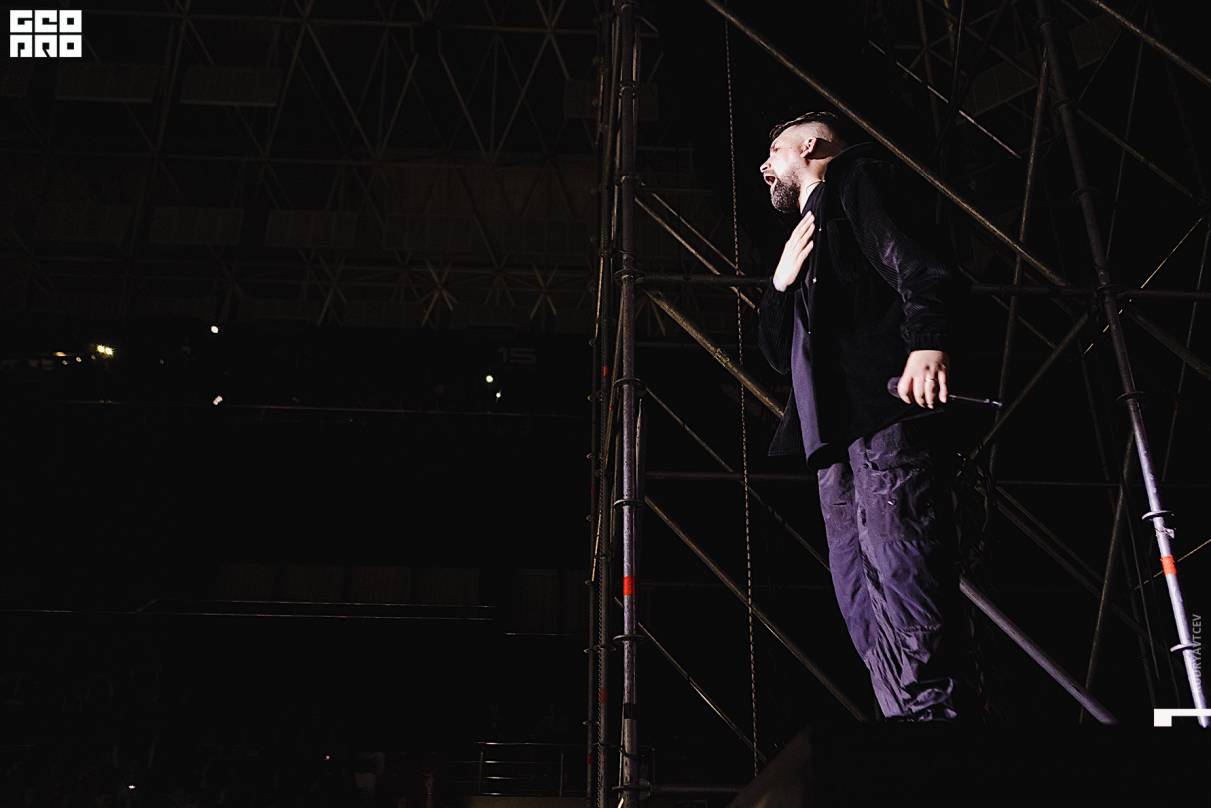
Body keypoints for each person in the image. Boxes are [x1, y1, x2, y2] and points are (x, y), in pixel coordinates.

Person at [755, 110, 976, 722]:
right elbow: (775, 354)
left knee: (905, 569)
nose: (765, 167)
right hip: (832, 437)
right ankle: (904, 720)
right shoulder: (805, 236)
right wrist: (779, 284)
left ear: (811, 144)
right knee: (860, 600)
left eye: (775, 152)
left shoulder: (859, 178)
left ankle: (937, 724)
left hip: (879, 414)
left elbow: (917, 262)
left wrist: (928, 341)